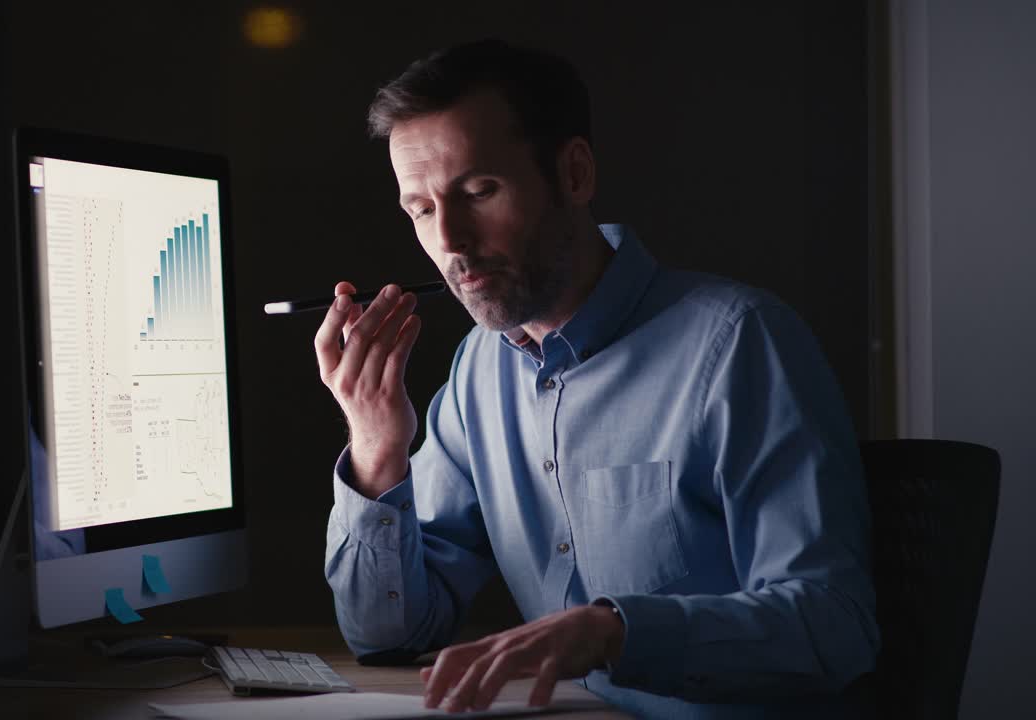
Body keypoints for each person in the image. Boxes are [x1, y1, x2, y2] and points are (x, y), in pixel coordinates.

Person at [314, 38, 879, 719]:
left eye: (479, 190)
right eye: (423, 211)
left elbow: (835, 626)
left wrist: (615, 631)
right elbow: (390, 635)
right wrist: (377, 449)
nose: (453, 243)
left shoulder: (739, 343)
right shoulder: (478, 371)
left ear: (574, 174)